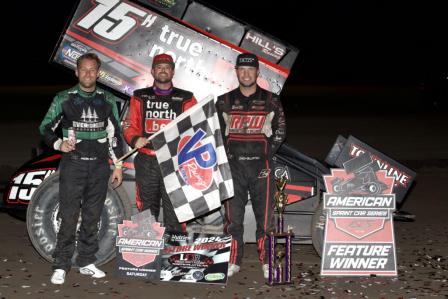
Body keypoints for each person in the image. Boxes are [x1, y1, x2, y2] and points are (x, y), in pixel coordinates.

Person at [39, 53, 124, 285]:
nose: (87, 74)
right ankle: (61, 265)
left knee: (92, 217)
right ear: (76, 72)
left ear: (98, 73)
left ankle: (87, 262)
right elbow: (45, 128)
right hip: (72, 166)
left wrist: (118, 166)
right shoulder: (64, 98)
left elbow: (115, 136)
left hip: (99, 167)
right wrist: (59, 144)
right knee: (68, 217)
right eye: (83, 70)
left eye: (92, 70)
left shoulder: (107, 100)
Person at [216, 53, 286, 278]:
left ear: (257, 72)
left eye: (250, 70)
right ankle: (233, 261)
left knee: (265, 220)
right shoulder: (224, 101)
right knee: (232, 221)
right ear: (236, 72)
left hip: (262, 168)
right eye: (242, 70)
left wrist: (266, 152)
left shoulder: (271, 100)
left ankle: (267, 261)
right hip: (233, 168)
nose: (246, 73)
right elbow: (215, 133)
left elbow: (281, 131)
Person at [123, 53, 197, 232]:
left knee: (176, 210)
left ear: (172, 72)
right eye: (159, 67)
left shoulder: (186, 98)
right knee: (146, 210)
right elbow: (129, 125)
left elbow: (195, 126)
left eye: (167, 67)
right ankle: (148, 257)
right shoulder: (140, 96)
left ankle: (173, 255)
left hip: (175, 162)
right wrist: (135, 139)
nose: (163, 70)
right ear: (152, 71)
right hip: (147, 160)